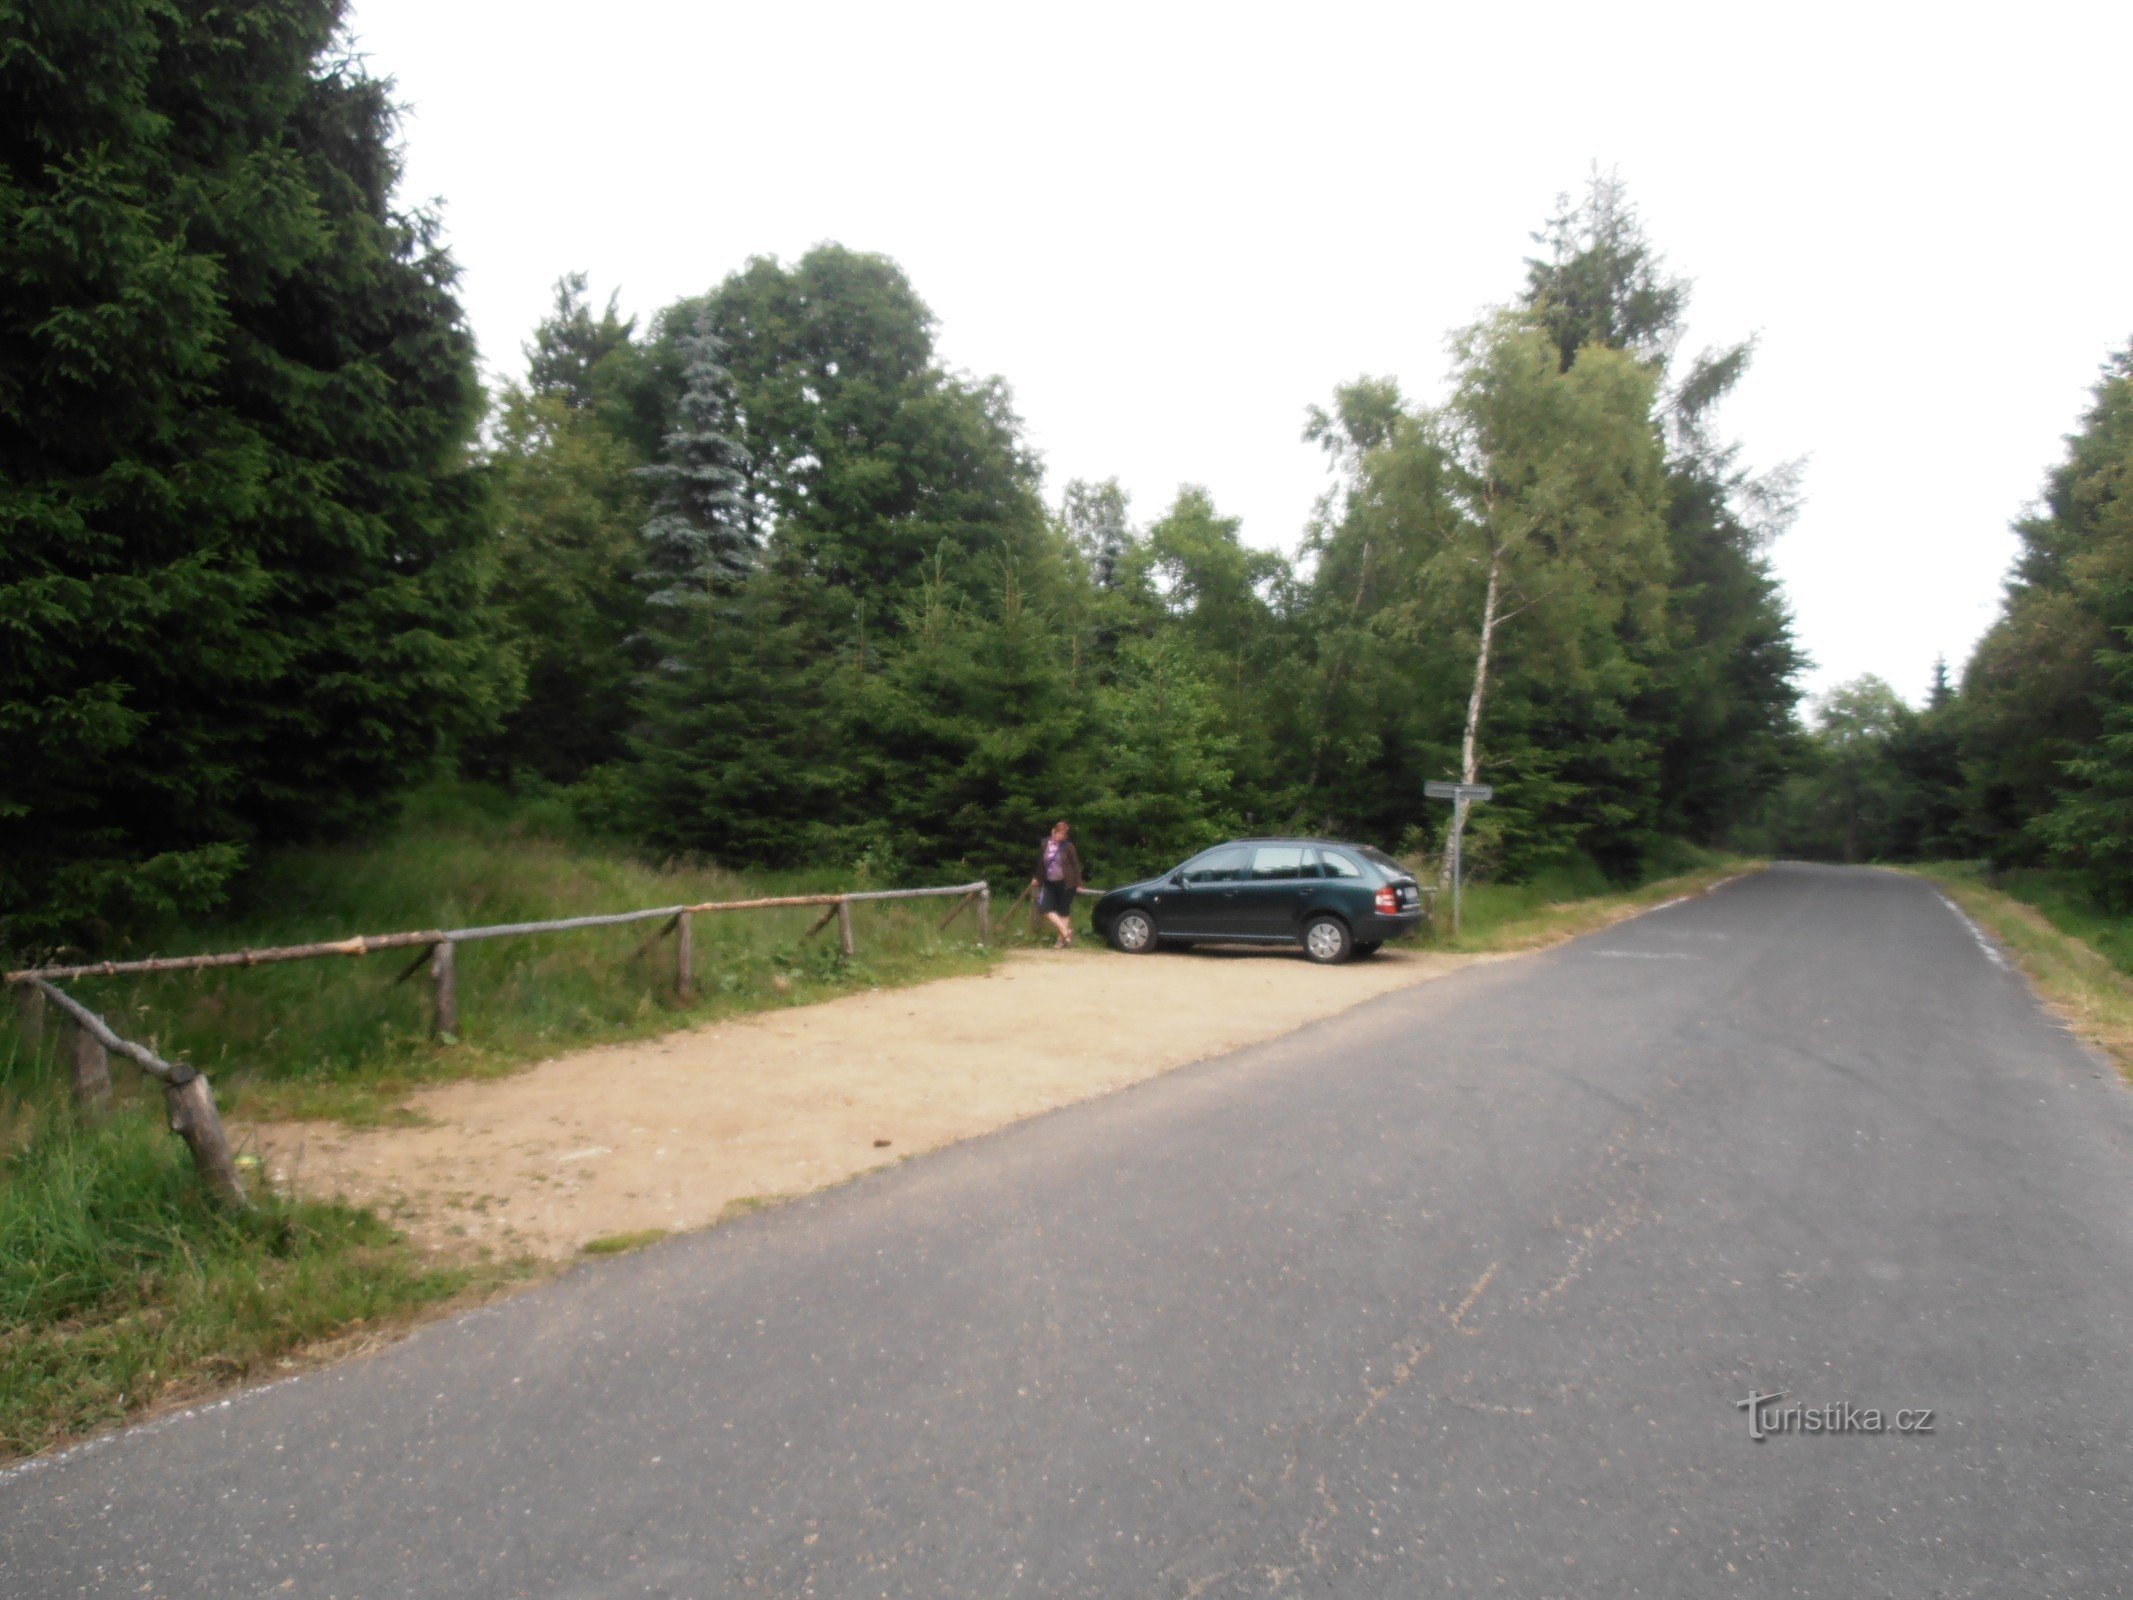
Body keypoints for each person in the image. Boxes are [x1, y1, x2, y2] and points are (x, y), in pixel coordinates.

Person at [1030, 820, 1082, 948]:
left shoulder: (1068, 846)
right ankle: (1066, 932)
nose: (1060, 836)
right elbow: (1041, 863)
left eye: (1063, 834)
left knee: (1064, 911)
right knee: (1045, 907)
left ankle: (1060, 941)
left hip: (1066, 883)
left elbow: (1075, 865)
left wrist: (1079, 883)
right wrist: (1037, 877)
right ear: (1054, 831)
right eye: (1059, 833)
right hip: (1049, 882)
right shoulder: (1045, 843)